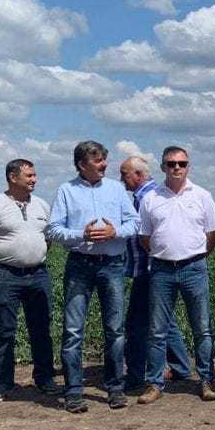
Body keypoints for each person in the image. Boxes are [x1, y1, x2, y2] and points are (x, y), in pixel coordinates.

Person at [47, 141, 139, 413]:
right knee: (73, 330)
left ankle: (115, 388)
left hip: (112, 265)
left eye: (104, 160)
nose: (104, 165)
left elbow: (135, 223)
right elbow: (53, 229)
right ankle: (74, 392)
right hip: (80, 265)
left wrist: (115, 232)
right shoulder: (66, 190)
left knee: (115, 329)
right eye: (98, 161)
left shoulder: (116, 189)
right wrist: (81, 235)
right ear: (81, 164)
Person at [0, 159, 59, 403]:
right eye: (29, 175)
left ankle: (45, 378)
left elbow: (48, 239)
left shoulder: (42, 206)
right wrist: (2, 264)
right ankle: (2, 382)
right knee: (4, 330)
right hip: (4, 277)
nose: (34, 179)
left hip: (38, 275)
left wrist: (31, 256)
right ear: (12, 177)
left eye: (34, 175)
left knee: (41, 328)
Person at [139, 146, 215, 404]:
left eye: (182, 163)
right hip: (162, 270)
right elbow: (145, 237)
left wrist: (199, 254)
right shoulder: (150, 198)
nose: (177, 167)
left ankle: (206, 381)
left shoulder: (202, 196)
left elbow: (213, 233)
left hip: (194, 268)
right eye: (171, 163)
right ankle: (154, 384)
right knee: (157, 330)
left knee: (202, 328)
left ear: (188, 166)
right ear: (162, 167)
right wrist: (164, 252)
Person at [119, 156, 193, 396]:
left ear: (138, 175)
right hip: (152, 268)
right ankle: (181, 367)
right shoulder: (146, 196)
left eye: (124, 174)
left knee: (136, 324)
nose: (121, 179)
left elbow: (151, 237)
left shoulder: (147, 197)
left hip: (150, 269)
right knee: (164, 320)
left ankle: (135, 376)